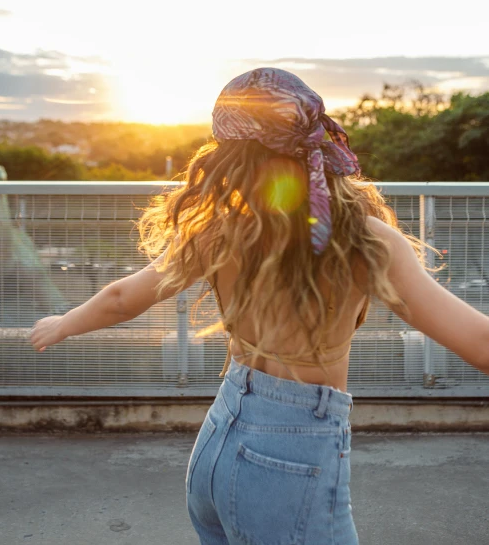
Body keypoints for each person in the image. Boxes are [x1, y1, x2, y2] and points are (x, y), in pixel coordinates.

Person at [30, 67, 489, 545]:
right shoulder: (367, 241)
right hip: (291, 459)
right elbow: (480, 344)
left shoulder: (220, 230)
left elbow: (123, 298)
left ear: (230, 152)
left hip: (218, 440)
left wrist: (63, 323)